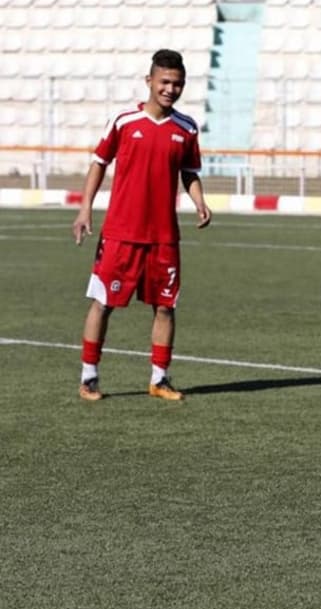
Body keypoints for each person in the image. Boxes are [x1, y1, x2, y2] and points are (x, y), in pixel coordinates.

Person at [72, 49, 211, 402]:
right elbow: (99, 162)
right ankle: (89, 376)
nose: (170, 89)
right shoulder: (123, 121)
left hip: (164, 237)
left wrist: (199, 201)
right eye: (164, 82)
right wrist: (85, 209)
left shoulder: (187, 128)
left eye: (177, 84)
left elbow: (189, 172)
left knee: (166, 306)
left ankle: (160, 378)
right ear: (149, 81)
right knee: (103, 302)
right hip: (121, 233)